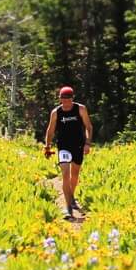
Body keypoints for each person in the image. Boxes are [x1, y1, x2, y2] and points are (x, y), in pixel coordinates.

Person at [42, 86, 93, 221]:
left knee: (74, 174)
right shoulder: (56, 112)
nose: (66, 103)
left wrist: (88, 143)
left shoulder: (80, 109)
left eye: (68, 100)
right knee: (65, 173)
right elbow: (50, 130)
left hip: (78, 145)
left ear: (72, 99)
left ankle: (72, 197)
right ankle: (68, 208)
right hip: (63, 146)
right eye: (63, 100)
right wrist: (47, 146)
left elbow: (88, 126)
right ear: (60, 99)